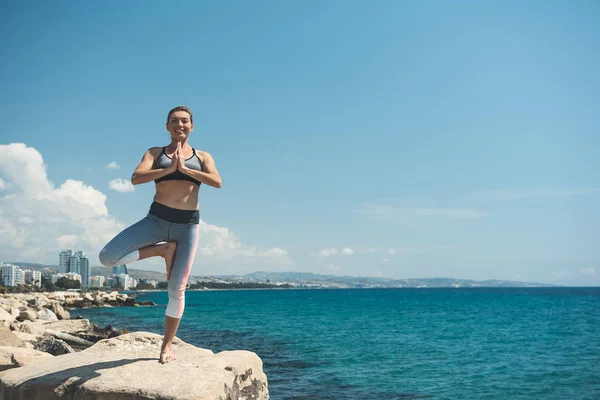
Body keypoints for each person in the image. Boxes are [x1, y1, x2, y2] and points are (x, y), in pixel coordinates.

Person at [98, 105, 222, 364]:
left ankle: (166, 346)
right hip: (155, 220)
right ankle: (162, 249)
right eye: (174, 121)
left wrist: (185, 170)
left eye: (185, 121)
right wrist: (169, 169)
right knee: (108, 257)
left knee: (177, 290)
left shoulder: (203, 156)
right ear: (167, 126)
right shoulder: (154, 152)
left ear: (192, 126)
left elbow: (216, 181)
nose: (180, 124)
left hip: (187, 227)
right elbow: (136, 178)